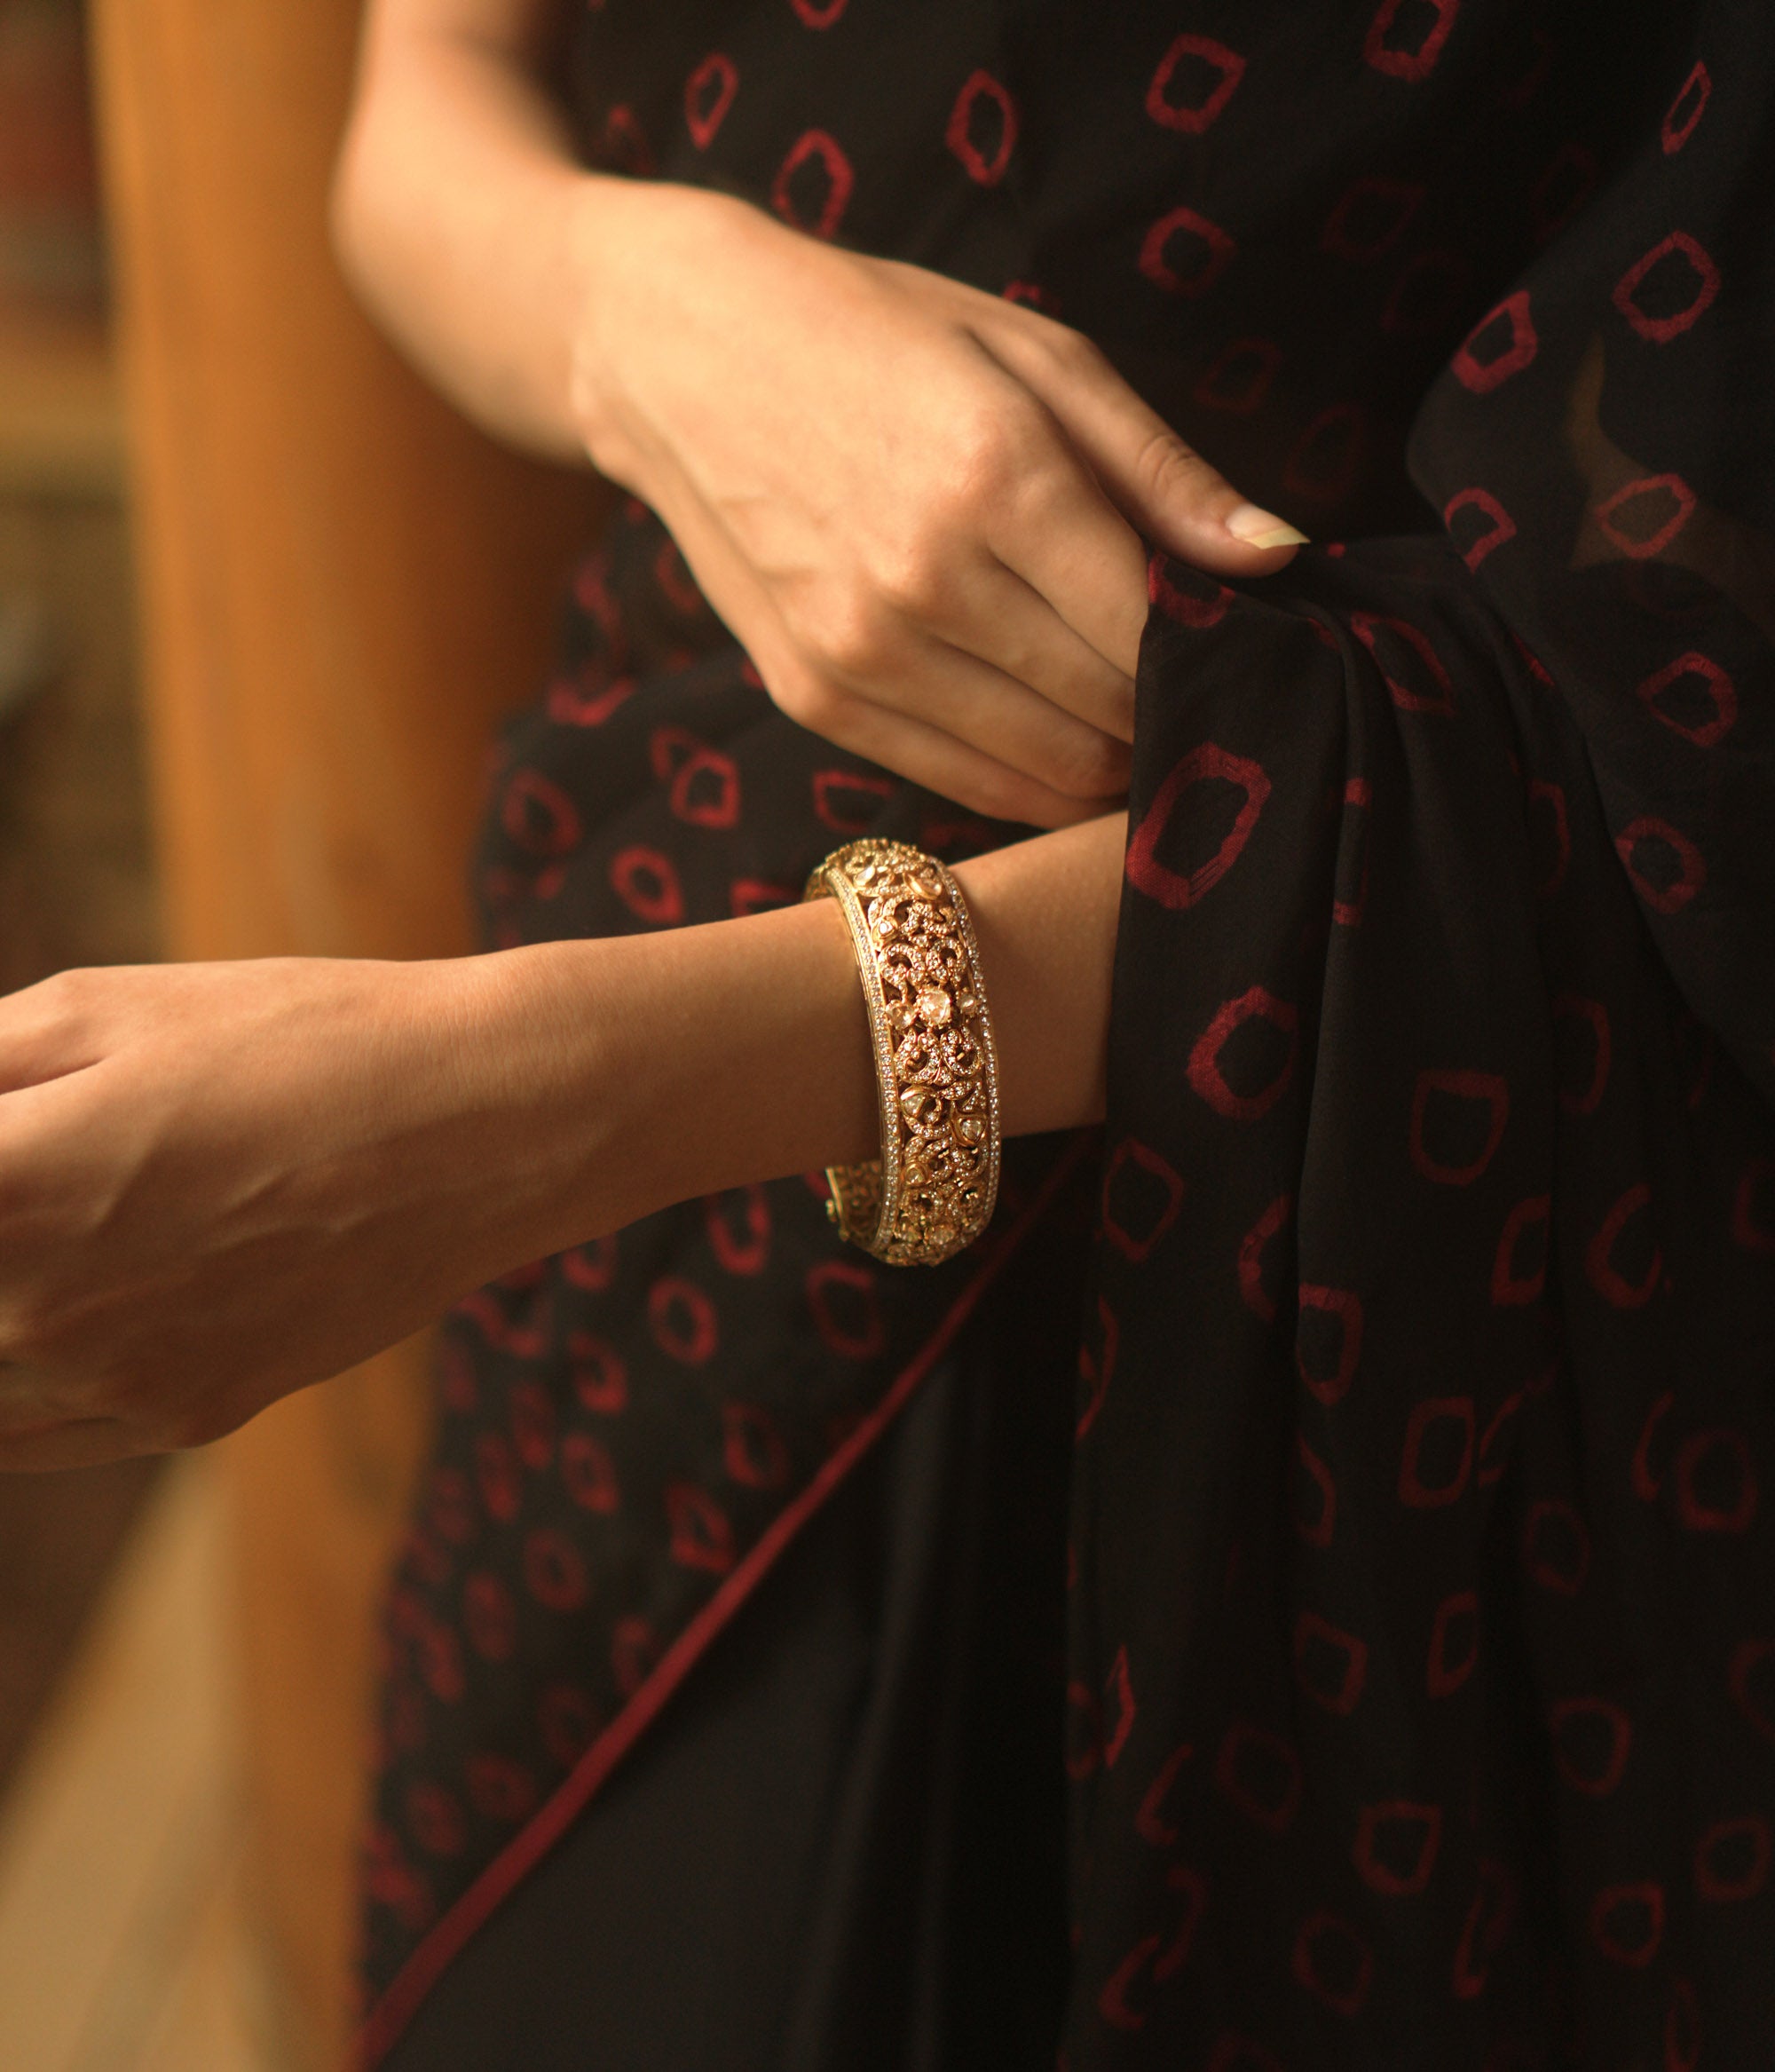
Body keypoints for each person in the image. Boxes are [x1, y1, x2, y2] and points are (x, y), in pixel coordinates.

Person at [2, 0, 1770, 2065]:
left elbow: (1689, 729)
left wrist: (549, 1103)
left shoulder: (508, 1123)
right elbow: (421, 112)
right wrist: (645, 310)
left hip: (1424, 1270)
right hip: (638, 1145)